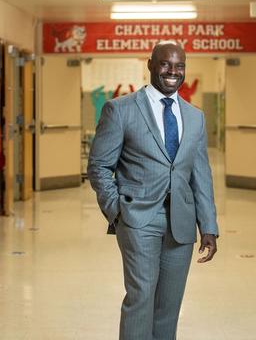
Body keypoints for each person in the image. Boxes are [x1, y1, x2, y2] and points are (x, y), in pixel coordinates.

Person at [87, 40, 219, 340]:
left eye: (179, 66)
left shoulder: (195, 117)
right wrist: (118, 210)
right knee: (141, 298)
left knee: (169, 306)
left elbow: (201, 176)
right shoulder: (120, 109)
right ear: (150, 65)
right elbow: (98, 166)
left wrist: (208, 225)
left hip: (181, 224)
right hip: (138, 219)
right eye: (165, 64)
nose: (173, 72)